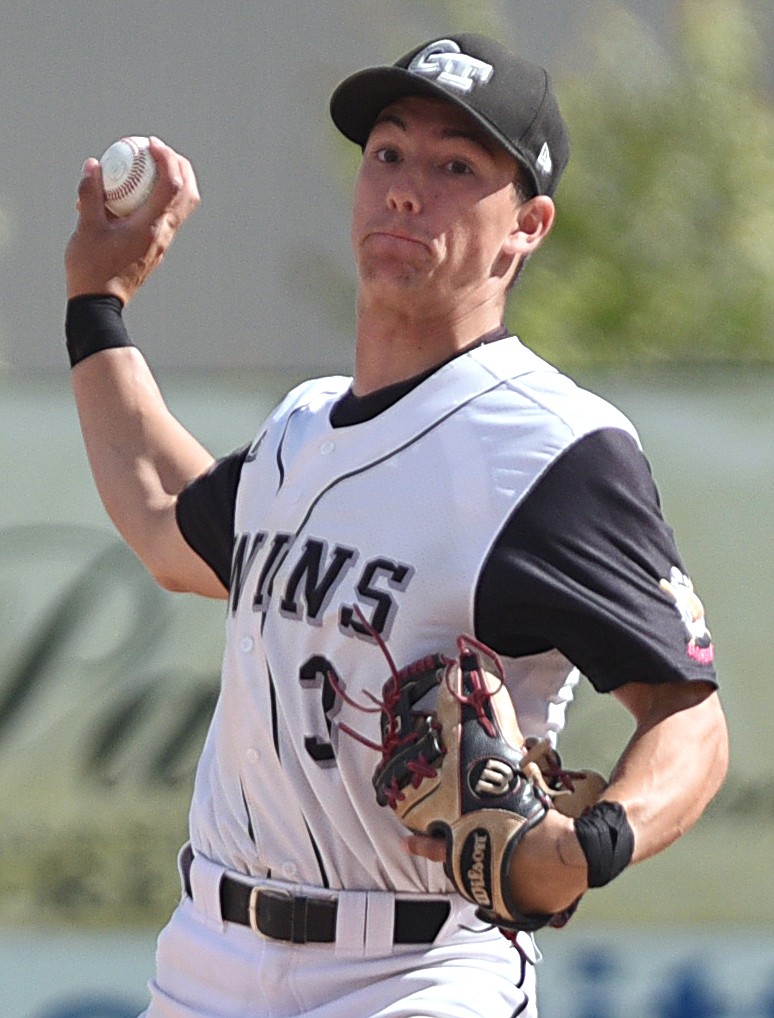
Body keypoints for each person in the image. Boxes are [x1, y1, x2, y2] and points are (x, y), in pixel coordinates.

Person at [64, 33, 728, 1018]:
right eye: (389, 153)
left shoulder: (549, 445)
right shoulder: (303, 429)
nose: (408, 189)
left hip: (415, 973)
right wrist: (96, 303)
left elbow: (690, 718)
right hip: (206, 955)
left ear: (528, 226)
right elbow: (165, 522)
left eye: (458, 166)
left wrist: (591, 847)